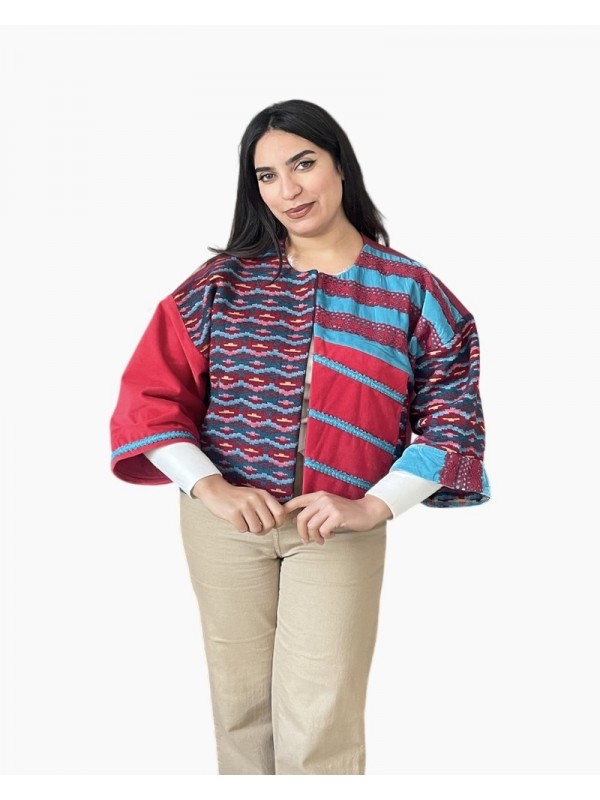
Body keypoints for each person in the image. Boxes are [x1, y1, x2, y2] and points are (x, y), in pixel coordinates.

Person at [109, 98, 491, 775]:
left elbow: (454, 414)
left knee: (321, 720)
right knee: (241, 713)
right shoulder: (219, 285)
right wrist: (210, 487)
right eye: (267, 175)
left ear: (340, 164)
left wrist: (374, 506)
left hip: (335, 528)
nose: (288, 189)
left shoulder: (412, 292)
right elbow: (151, 395)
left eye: (303, 164)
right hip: (226, 527)